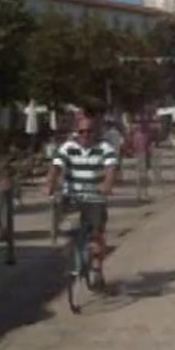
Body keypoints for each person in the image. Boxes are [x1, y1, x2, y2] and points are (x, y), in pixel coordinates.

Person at [46, 115, 117, 285]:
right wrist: (50, 184)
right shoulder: (68, 147)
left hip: (95, 197)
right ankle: (71, 250)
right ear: (76, 132)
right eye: (81, 131)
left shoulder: (104, 147)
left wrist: (107, 184)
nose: (85, 135)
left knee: (96, 235)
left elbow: (111, 168)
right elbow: (56, 166)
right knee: (67, 227)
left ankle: (97, 268)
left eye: (89, 131)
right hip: (73, 196)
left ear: (95, 132)